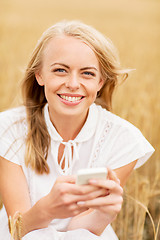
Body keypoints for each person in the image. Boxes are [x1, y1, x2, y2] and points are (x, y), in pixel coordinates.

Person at [0, 20, 154, 240]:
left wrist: (104, 214)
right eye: (60, 70)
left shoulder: (123, 139)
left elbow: (83, 231)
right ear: (39, 75)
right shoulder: (8, 129)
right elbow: (18, 230)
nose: (73, 84)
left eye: (87, 74)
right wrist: (48, 209)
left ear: (101, 81)